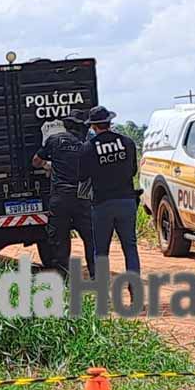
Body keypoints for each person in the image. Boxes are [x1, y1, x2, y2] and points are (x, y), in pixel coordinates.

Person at [32, 109, 96, 278]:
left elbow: (36, 161)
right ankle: (95, 274)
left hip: (60, 196)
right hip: (82, 195)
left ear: (67, 125)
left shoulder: (54, 140)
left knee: (59, 238)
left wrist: (49, 165)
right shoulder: (89, 144)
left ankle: (64, 276)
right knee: (90, 237)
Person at [86, 105, 141, 281]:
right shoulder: (127, 143)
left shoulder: (89, 147)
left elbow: (82, 176)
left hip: (102, 203)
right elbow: (133, 170)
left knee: (101, 251)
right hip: (127, 200)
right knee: (130, 248)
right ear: (109, 122)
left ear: (93, 126)